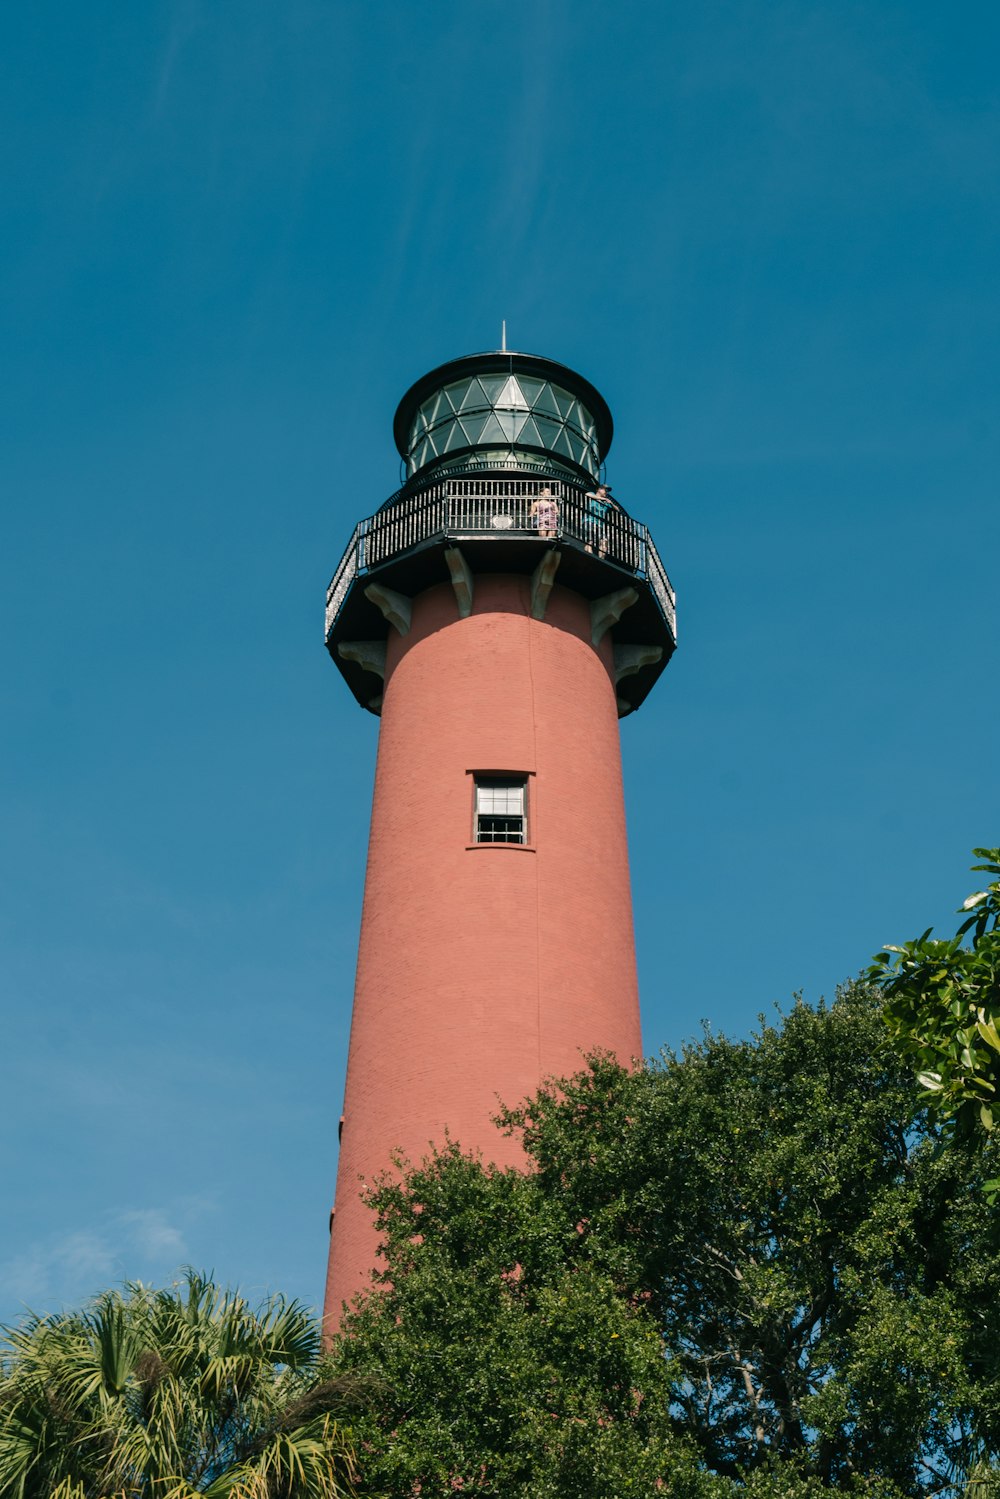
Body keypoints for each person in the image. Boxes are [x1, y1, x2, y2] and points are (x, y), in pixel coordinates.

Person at [583, 483, 615, 557]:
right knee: (591, 539)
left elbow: (617, 510)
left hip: (599, 525)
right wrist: (602, 499)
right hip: (589, 520)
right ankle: (588, 553)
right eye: (604, 489)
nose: (606, 492)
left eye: (607, 491)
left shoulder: (606, 503)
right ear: (598, 489)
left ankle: (601, 558)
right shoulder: (593, 494)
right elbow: (587, 494)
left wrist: (612, 504)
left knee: (604, 541)